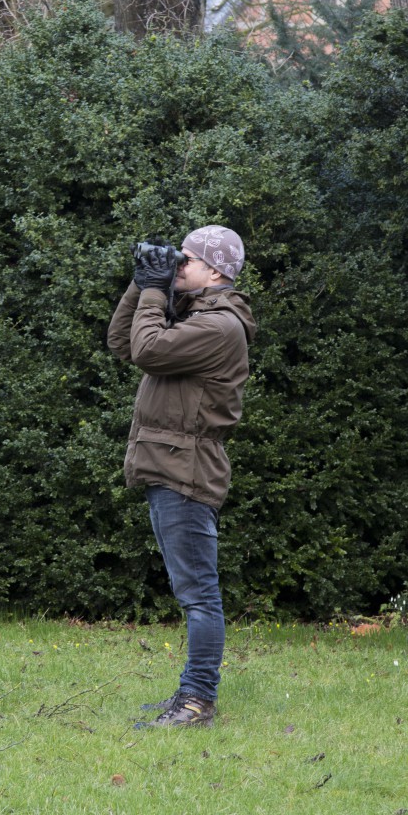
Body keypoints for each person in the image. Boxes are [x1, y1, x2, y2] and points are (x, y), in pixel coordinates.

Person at [107, 225, 256, 728]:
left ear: (215, 271)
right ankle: (189, 696)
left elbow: (148, 350)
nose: (176, 269)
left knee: (199, 595)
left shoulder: (219, 328)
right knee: (193, 590)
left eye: (184, 262)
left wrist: (152, 289)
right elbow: (123, 344)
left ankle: (196, 702)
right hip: (170, 464)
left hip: (187, 471)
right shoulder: (194, 316)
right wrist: (141, 283)